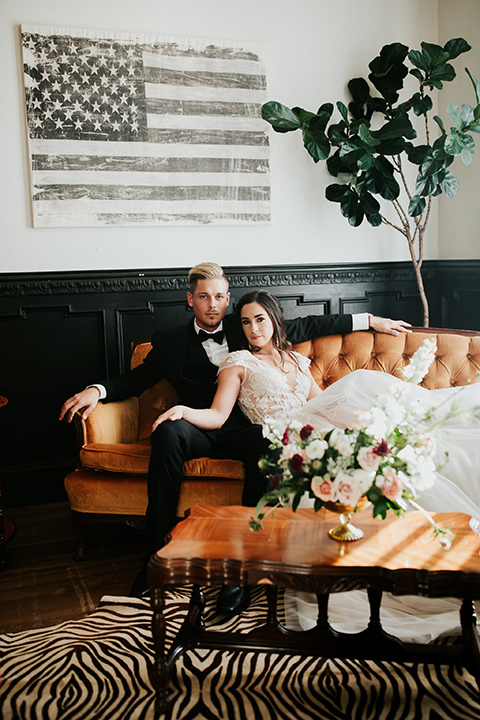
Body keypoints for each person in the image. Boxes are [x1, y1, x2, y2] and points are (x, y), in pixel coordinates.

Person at [59, 263, 410, 611]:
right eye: (203, 297)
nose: (212, 305)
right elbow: (135, 380)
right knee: (168, 432)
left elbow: (308, 324)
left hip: (246, 429)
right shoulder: (169, 342)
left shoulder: (247, 326)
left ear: (227, 299)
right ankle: (156, 558)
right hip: (198, 425)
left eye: (218, 297)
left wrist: (369, 320)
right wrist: (98, 389)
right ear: (190, 299)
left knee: (264, 440)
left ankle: (240, 563)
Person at [155, 289, 480, 639]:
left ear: (274, 320)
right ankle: (246, 576)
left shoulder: (296, 361)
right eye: (246, 322)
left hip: (311, 430)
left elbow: (322, 403)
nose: (253, 329)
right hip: (274, 436)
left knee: (385, 452)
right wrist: (184, 411)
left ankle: (413, 558)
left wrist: (358, 421)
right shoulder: (238, 362)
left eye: (260, 319)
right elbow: (218, 416)